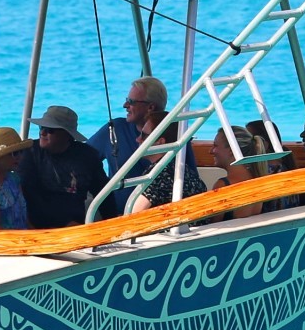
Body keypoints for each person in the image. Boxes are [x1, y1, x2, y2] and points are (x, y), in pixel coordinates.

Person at [20, 105, 114, 228]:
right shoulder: (30, 153)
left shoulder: (87, 156)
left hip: (75, 226)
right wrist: (63, 222)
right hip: (37, 226)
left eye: (50, 130)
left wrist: (112, 223)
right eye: (41, 127)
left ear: (67, 135)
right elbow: (29, 196)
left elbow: (103, 192)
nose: (42, 132)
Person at [123, 77, 205, 214]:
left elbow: (132, 216)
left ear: (161, 142)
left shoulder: (158, 176)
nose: (137, 140)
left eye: (143, 136)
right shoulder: (185, 172)